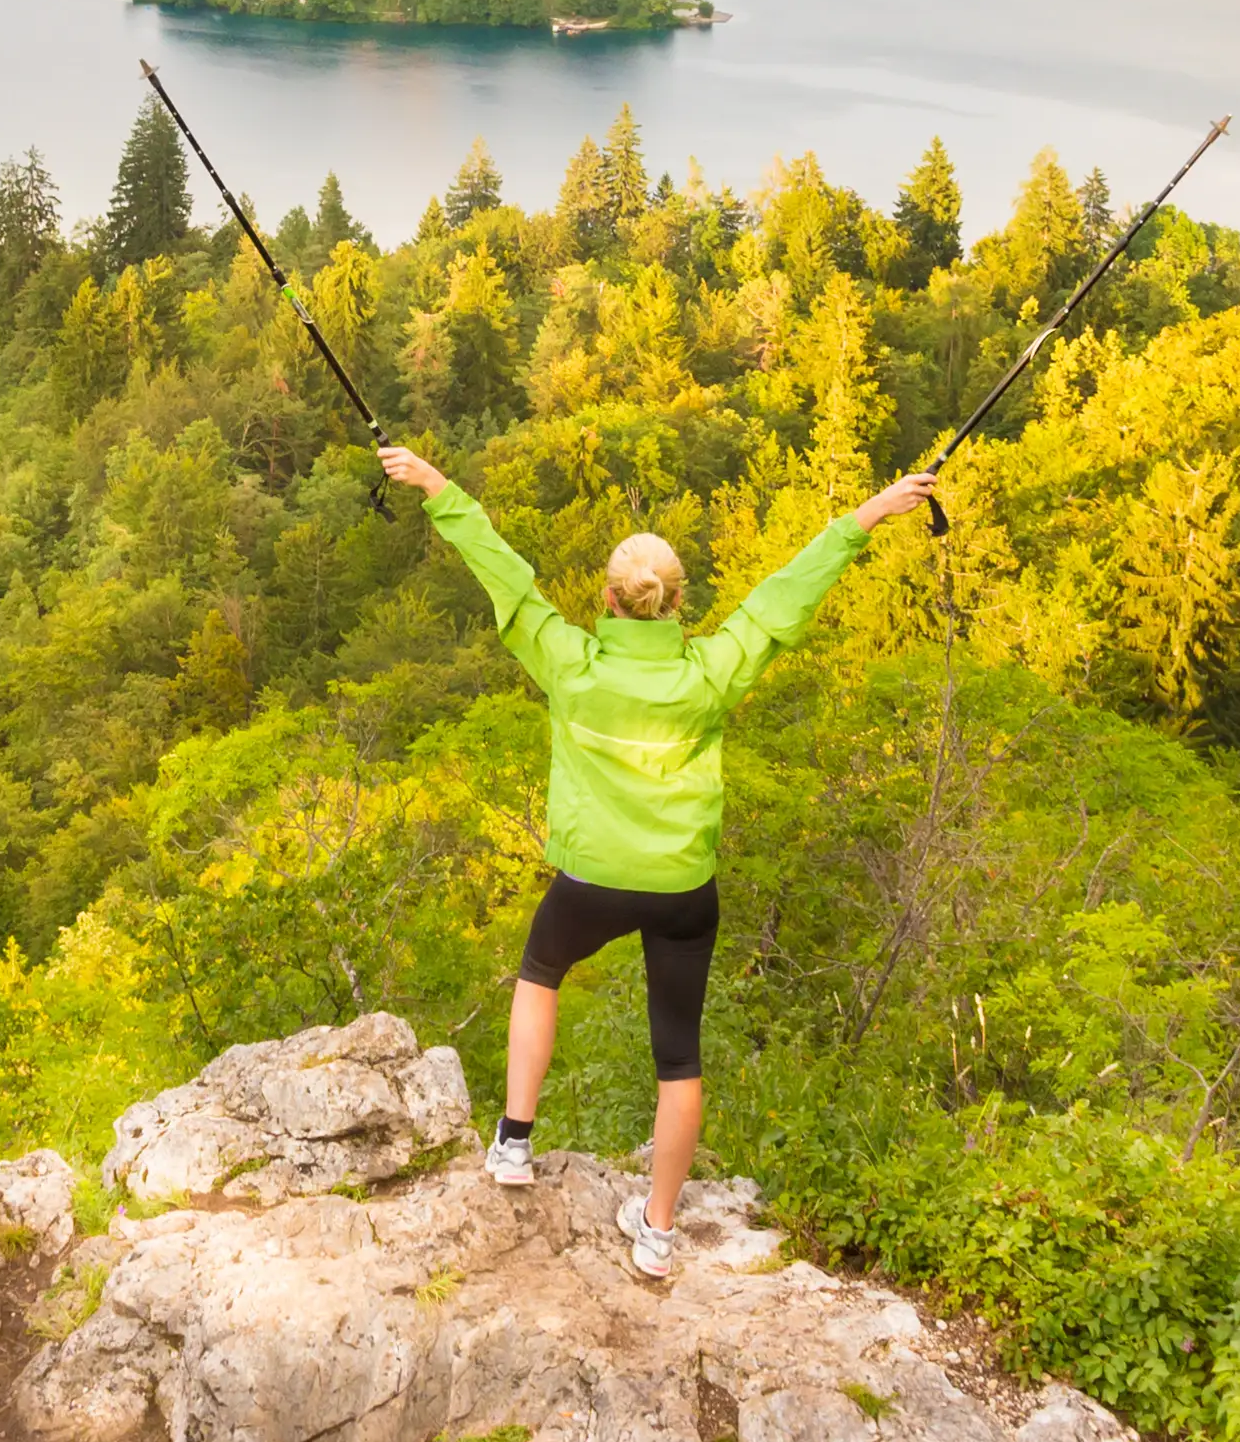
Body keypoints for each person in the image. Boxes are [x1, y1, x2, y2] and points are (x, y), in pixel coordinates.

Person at [377, 441, 935, 1284]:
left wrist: (436, 486)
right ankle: (658, 1233)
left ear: (607, 599)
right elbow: (785, 599)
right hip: (682, 889)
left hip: (590, 879)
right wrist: (871, 513)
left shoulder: (570, 665)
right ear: (679, 603)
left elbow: (504, 575)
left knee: (540, 970)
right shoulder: (710, 673)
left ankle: (515, 1143)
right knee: (678, 1056)